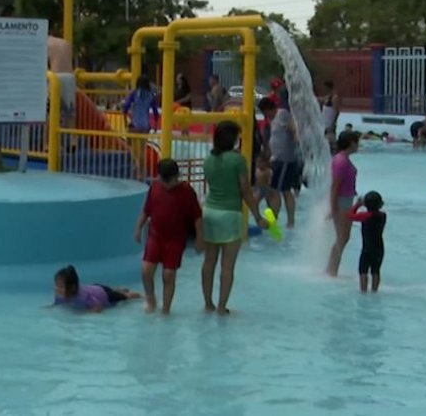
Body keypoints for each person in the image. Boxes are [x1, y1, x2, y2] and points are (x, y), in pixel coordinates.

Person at [201, 121, 267, 315]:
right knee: (227, 266)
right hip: (230, 215)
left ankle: (207, 303)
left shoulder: (208, 160)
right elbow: (245, 191)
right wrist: (257, 216)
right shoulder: (238, 161)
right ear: (232, 139)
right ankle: (222, 307)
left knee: (208, 262)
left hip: (210, 212)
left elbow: (211, 185)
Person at [134, 158, 203, 314]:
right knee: (146, 270)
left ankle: (166, 309)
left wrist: (200, 239)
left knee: (168, 274)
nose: (166, 184)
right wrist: (138, 228)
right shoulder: (155, 187)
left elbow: (197, 217)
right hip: (155, 236)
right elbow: (147, 210)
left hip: (175, 240)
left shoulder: (186, 191)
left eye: (170, 181)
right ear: (159, 177)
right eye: (163, 180)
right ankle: (151, 300)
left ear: (177, 176)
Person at [327, 130, 362, 277]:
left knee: (343, 237)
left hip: (346, 200)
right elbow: (335, 186)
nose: (358, 145)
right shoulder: (341, 161)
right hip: (342, 202)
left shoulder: (342, 159)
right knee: (342, 237)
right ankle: (331, 270)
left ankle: (332, 269)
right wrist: (333, 207)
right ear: (351, 143)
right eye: (357, 142)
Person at [268, 90, 301, 228]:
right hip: (278, 159)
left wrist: (296, 139)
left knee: (283, 191)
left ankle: (288, 221)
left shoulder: (283, 114)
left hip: (285, 160)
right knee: (276, 190)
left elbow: (294, 129)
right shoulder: (276, 117)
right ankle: (276, 220)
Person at [50, 265, 142, 313]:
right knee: (111, 289)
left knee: (124, 296)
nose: (56, 288)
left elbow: (98, 307)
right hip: (95, 288)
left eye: (60, 286)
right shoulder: (60, 295)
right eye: (56, 285)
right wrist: (50, 308)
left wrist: (84, 314)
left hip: (104, 295)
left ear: (72, 288)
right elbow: (57, 303)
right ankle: (118, 289)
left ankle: (139, 295)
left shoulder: (82, 297)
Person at [121, 74, 159, 180]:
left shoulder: (134, 94)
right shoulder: (151, 95)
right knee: (142, 149)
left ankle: (135, 165)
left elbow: (125, 108)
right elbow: (155, 112)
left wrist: (125, 121)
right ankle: (142, 173)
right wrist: (155, 126)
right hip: (145, 125)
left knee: (130, 145)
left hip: (135, 124)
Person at [348, 191, 387, 293]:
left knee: (363, 270)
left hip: (367, 248)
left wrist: (357, 205)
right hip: (379, 248)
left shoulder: (365, 216)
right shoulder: (383, 216)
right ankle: (375, 291)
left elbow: (350, 216)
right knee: (376, 270)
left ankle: (363, 292)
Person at [320, 80, 340, 151]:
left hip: (330, 124)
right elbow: (319, 99)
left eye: (324, 88)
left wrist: (333, 124)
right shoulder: (327, 97)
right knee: (324, 142)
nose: (323, 89)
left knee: (331, 142)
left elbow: (337, 112)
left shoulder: (334, 98)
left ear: (328, 88)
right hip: (324, 123)